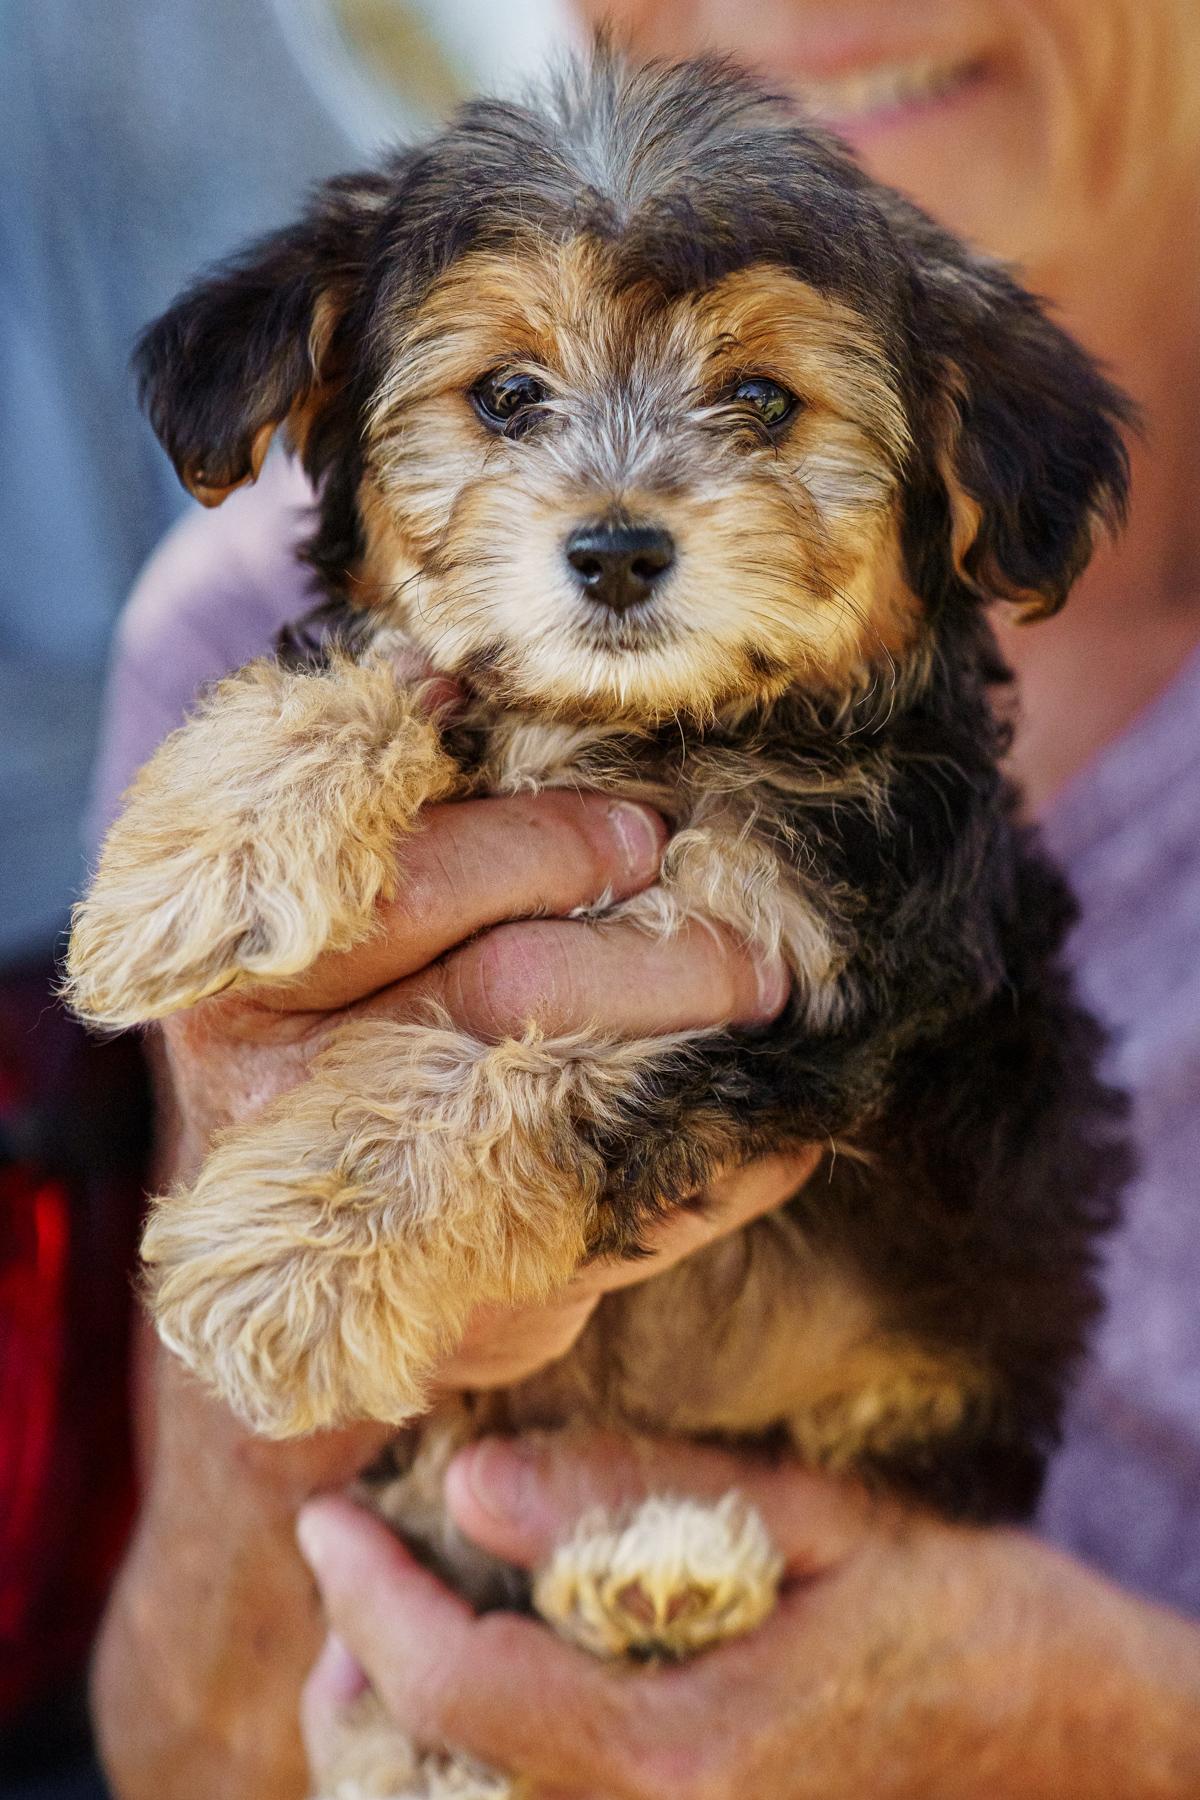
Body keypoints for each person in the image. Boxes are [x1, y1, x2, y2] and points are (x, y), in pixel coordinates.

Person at [88, 0, 1200, 1794]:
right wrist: (271, 1424)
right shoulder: (228, 638)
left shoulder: (863, 799)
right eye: (506, 399)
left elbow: (769, 1014)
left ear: (955, 461)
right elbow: (188, 1754)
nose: (614, 503)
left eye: (755, 401)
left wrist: (1120, 1728)